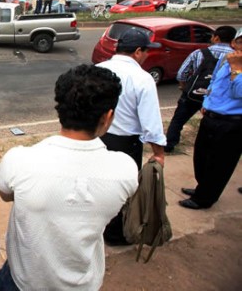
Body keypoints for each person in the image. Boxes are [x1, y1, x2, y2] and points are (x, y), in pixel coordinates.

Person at [0, 64, 138, 290]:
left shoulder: (19, 160)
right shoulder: (125, 170)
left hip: (21, 281)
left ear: (59, 109)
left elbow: (5, 194)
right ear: (108, 117)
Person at [96, 27, 166, 245]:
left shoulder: (98, 69)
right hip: (125, 143)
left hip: (97, 137)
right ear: (137, 51)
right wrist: (159, 153)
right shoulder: (142, 79)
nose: (146, 55)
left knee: (97, 184)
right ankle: (115, 234)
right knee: (122, 190)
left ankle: (97, 227)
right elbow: (151, 122)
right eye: (146, 51)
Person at [179, 27, 242, 210]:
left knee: (221, 162)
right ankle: (202, 187)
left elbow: (239, 92)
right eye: (240, 42)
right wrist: (206, 103)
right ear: (233, 42)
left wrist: (237, 69)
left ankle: (205, 198)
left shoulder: (236, 65)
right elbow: (213, 83)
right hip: (212, 115)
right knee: (202, 156)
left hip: (233, 121)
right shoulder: (225, 59)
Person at [165, 26, 236, 152]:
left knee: (178, 120)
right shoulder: (235, 59)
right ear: (233, 40)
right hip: (216, 99)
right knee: (211, 125)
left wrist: (184, 87)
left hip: (193, 95)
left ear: (216, 38)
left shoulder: (199, 53)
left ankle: (169, 145)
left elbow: (182, 74)